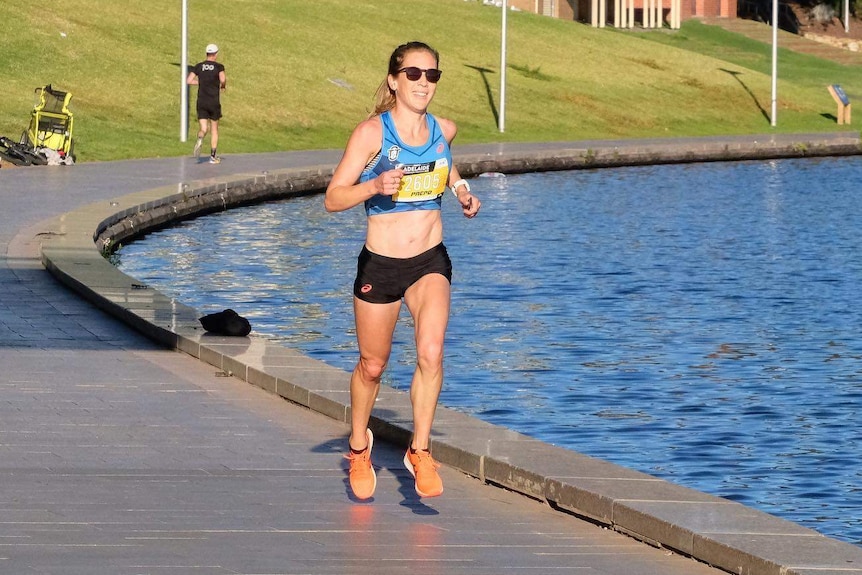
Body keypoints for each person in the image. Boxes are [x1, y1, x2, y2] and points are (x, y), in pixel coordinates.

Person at [324, 41, 481, 501]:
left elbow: (446, 168)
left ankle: (420, 449)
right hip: (382, 264)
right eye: (413, 74)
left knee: (431, 352)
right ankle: (358, 447)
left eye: (432, 75)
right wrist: (372, 185)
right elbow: (333, 198)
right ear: (394, 80)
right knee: (373, 366)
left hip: (430, 259)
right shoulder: (372, 134)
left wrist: (463, 193)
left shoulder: (444, 129)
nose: (423, 83)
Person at [186, 43, 226, 164]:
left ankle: (200, 137)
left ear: (206, 53)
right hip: (213, 101)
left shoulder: (199, 66)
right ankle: (213, 157)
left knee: (203, 128)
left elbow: (188, 80)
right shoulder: (219, 66)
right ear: (216, 54)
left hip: (201, 101)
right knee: (214, 129)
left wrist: (201, 82)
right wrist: (223, 86)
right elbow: (223, 79)